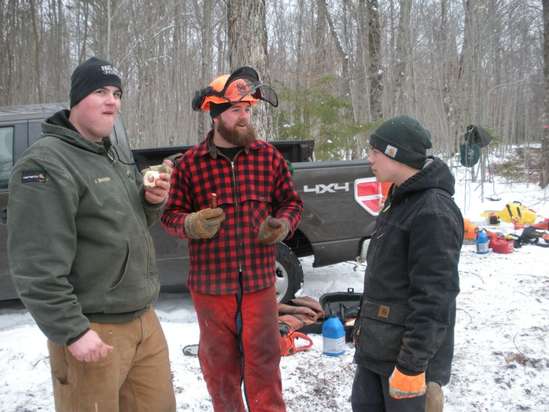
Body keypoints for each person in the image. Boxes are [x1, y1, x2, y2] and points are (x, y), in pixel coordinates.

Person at [7, 57, 176, 412]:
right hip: (93, 328)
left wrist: (150, 202)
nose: (112, 101)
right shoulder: (46, 164)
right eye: (100, 91)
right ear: (76, 99)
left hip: (143, 320)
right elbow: (35, 265)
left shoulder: (110, 153)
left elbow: (128, 225)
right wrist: (73, 331)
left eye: (116, 93)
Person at [161, 66, 303, 412]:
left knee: (265, 365)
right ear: (216, 115)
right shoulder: (191, 165)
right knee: (220, 372)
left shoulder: (268, 157)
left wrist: (283, 225)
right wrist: (191, 224)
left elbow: (291, 203)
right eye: (237, 110)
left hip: (258, 283)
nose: (245, 117)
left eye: (248, 109)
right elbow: (169, 217)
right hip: (211, 288)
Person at [351, 116, 464, 412]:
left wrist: (412, 367)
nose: (369, 158)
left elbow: (435, 297)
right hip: (377, 350)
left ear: (395, 154)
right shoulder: (400, 199)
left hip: (405, 362)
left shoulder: (433, 211)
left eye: (375, 151)